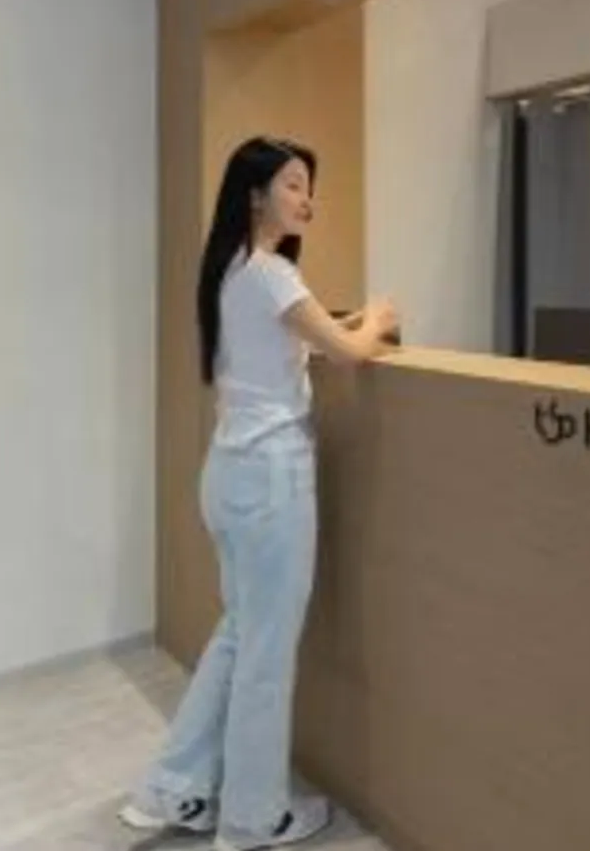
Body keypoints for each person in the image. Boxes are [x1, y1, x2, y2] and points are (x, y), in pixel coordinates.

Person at [120, 136, 399, 851]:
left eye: (309, 186)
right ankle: (253, 816)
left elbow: (306, 338)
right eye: (294, 185)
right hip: (272, 479)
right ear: (255, 195)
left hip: (229, 475)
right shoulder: (273, 273)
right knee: (266, 654)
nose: (308, 199)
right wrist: (376, 318)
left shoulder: (232, 268)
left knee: (241, 635)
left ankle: (173, 788)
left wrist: (342, 326)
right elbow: (351, 353)